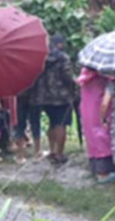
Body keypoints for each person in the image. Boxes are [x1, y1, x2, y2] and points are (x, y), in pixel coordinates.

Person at [23, 34, 78, 165]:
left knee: (52, 123)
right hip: (61, 97)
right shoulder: (63, 58)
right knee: (60, 124)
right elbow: (67, 76)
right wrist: (73, 89)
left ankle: (52, 150)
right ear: (60, 44)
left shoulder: (41, 57)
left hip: (43, 97)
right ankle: (59, 153)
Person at [78, 67, 115, 182]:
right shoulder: (102, 81)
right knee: (103, 139)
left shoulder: (84, 79)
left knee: (92, 139)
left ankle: (94, 168)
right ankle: (103, 173)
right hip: (100, 113)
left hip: (86, 112)